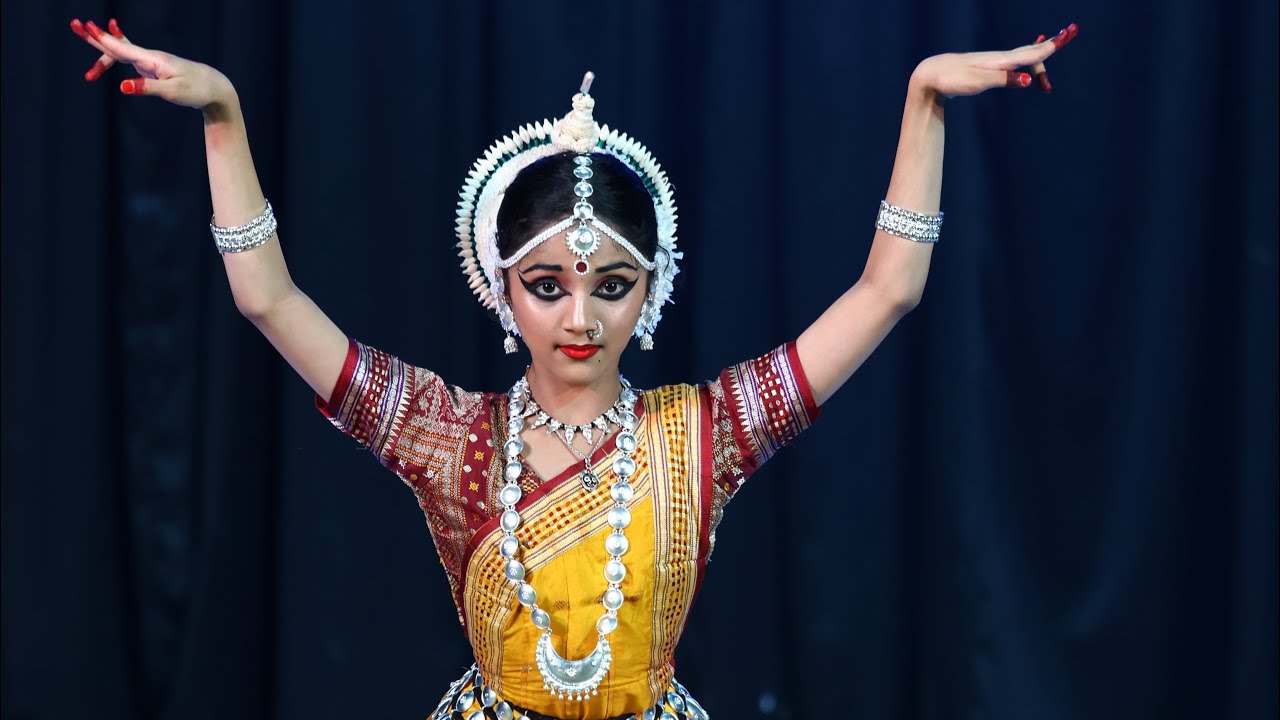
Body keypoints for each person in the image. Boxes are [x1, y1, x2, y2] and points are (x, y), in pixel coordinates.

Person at [70, 16, 1078, 720]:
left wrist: (922, 99)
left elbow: (887, 291)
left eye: (612, 285)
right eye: (548, 286)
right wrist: (224, 113)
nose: (582, 317)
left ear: (652, 291)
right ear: (502, 291)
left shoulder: (700, 435)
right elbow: (268, 299)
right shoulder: (449, 437)